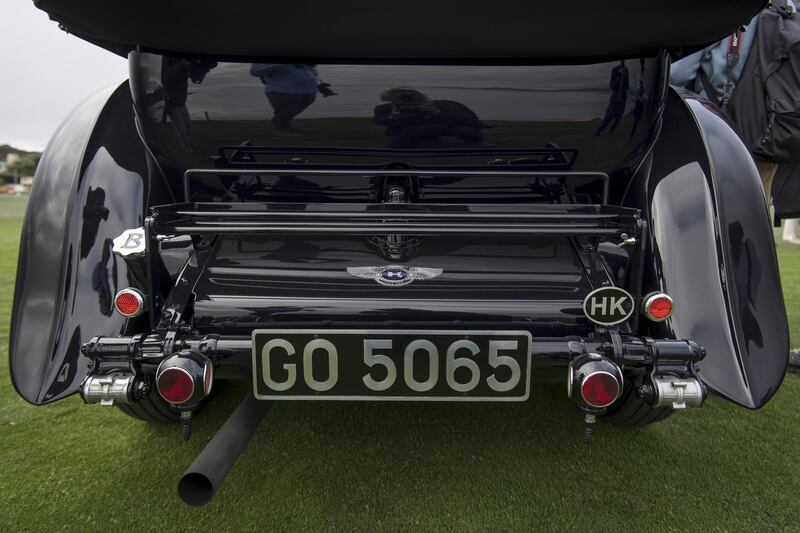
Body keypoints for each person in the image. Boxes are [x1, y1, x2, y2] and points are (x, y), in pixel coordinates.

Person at [373, 88, 492, 148]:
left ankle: (476, 141)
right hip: (412, 131)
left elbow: (463, 119)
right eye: (400, 104)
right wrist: (391, 118)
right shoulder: (385, 108)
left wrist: (437, 112)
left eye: (413, 104)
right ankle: (428, 139)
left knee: (467, 131)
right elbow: (378, 119)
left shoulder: (439, 106)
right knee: (396, 144)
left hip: (441, 128)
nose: (408, 107)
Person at [250, 64, 336, 134]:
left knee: (291, 112)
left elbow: (310, 74)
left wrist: (320, 86)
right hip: (283, 92)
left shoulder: (304, 62)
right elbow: (255, 71)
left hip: (307, 93)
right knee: (287, 110)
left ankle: (285, 127)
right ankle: (280, 129)